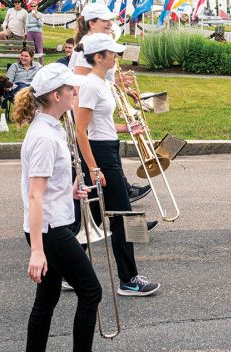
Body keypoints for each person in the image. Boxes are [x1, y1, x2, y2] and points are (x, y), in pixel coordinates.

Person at [12, 63, 101, 351]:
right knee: (91, 291)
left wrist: (69, 191)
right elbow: (35, 195)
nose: (75, 91)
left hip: (52, 224)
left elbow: (48, 187)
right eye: (69, 89)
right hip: (50, 230)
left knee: (47, 299)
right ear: (55, 95)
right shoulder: (44, 137)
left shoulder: (52, 128)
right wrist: (37, 251)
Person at [76, 33, 160, 297]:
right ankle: (128, 279)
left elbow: (102, 124)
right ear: (98, 57)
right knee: (124, 216)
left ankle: (69, 271)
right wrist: (93, 167)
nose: (116, 56)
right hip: (100, 155)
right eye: (111, 53)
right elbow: (81, 131)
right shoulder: (91, 85)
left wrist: (126, 128)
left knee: (101, 217)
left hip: (107, 149)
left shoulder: (102, 83)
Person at [71, 3, 157, 231]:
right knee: (101, 188)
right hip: (94, 130)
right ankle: (80, 234)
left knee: (102, 192)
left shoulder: (101, 51)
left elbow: (101, 81)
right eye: (104, 20)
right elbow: (81, 87)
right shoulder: (89, 48)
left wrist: (119, 88)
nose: (110, 23)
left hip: (103, 129)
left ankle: (82, 233)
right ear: (92, 23)